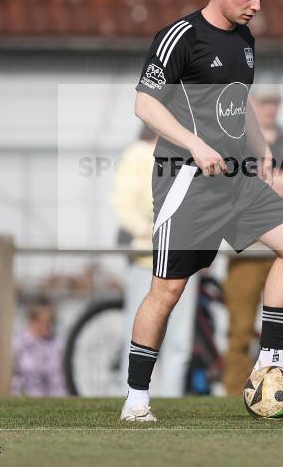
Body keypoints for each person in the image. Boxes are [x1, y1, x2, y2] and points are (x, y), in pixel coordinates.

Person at [121, 0, 283, 422]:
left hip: (238, 180)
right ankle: (136, 400)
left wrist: (262, 148)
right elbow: (145, 105)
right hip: (187, 184)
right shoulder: (180, 37)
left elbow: (239, 102)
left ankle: (271, 361)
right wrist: (194, 144)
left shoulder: (244, 41)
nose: (256, 7)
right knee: (167, 292)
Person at [222, 84, 283, 395]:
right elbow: (229, 182)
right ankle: (236, 395)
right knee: (239, 333)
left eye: (275, 102)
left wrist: (261, 183)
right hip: (248, 249)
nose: (270, 108)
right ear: (251, 103)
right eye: (264, 102)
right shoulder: (238, 140)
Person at [110, 125, 198, 397]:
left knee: (179, 342)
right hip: (145, 260)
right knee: (138, 336)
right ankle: (134, 395)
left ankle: (172, 399)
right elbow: (123, 205)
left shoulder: (186, 155)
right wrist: (151, 231)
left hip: (183, 256)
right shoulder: (137, 154)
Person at [11, 298, 67, 397]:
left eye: (52, 321)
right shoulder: (17, 343)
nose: (49, 326)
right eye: (45, 321)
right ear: (31, 321)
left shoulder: (58, 343)